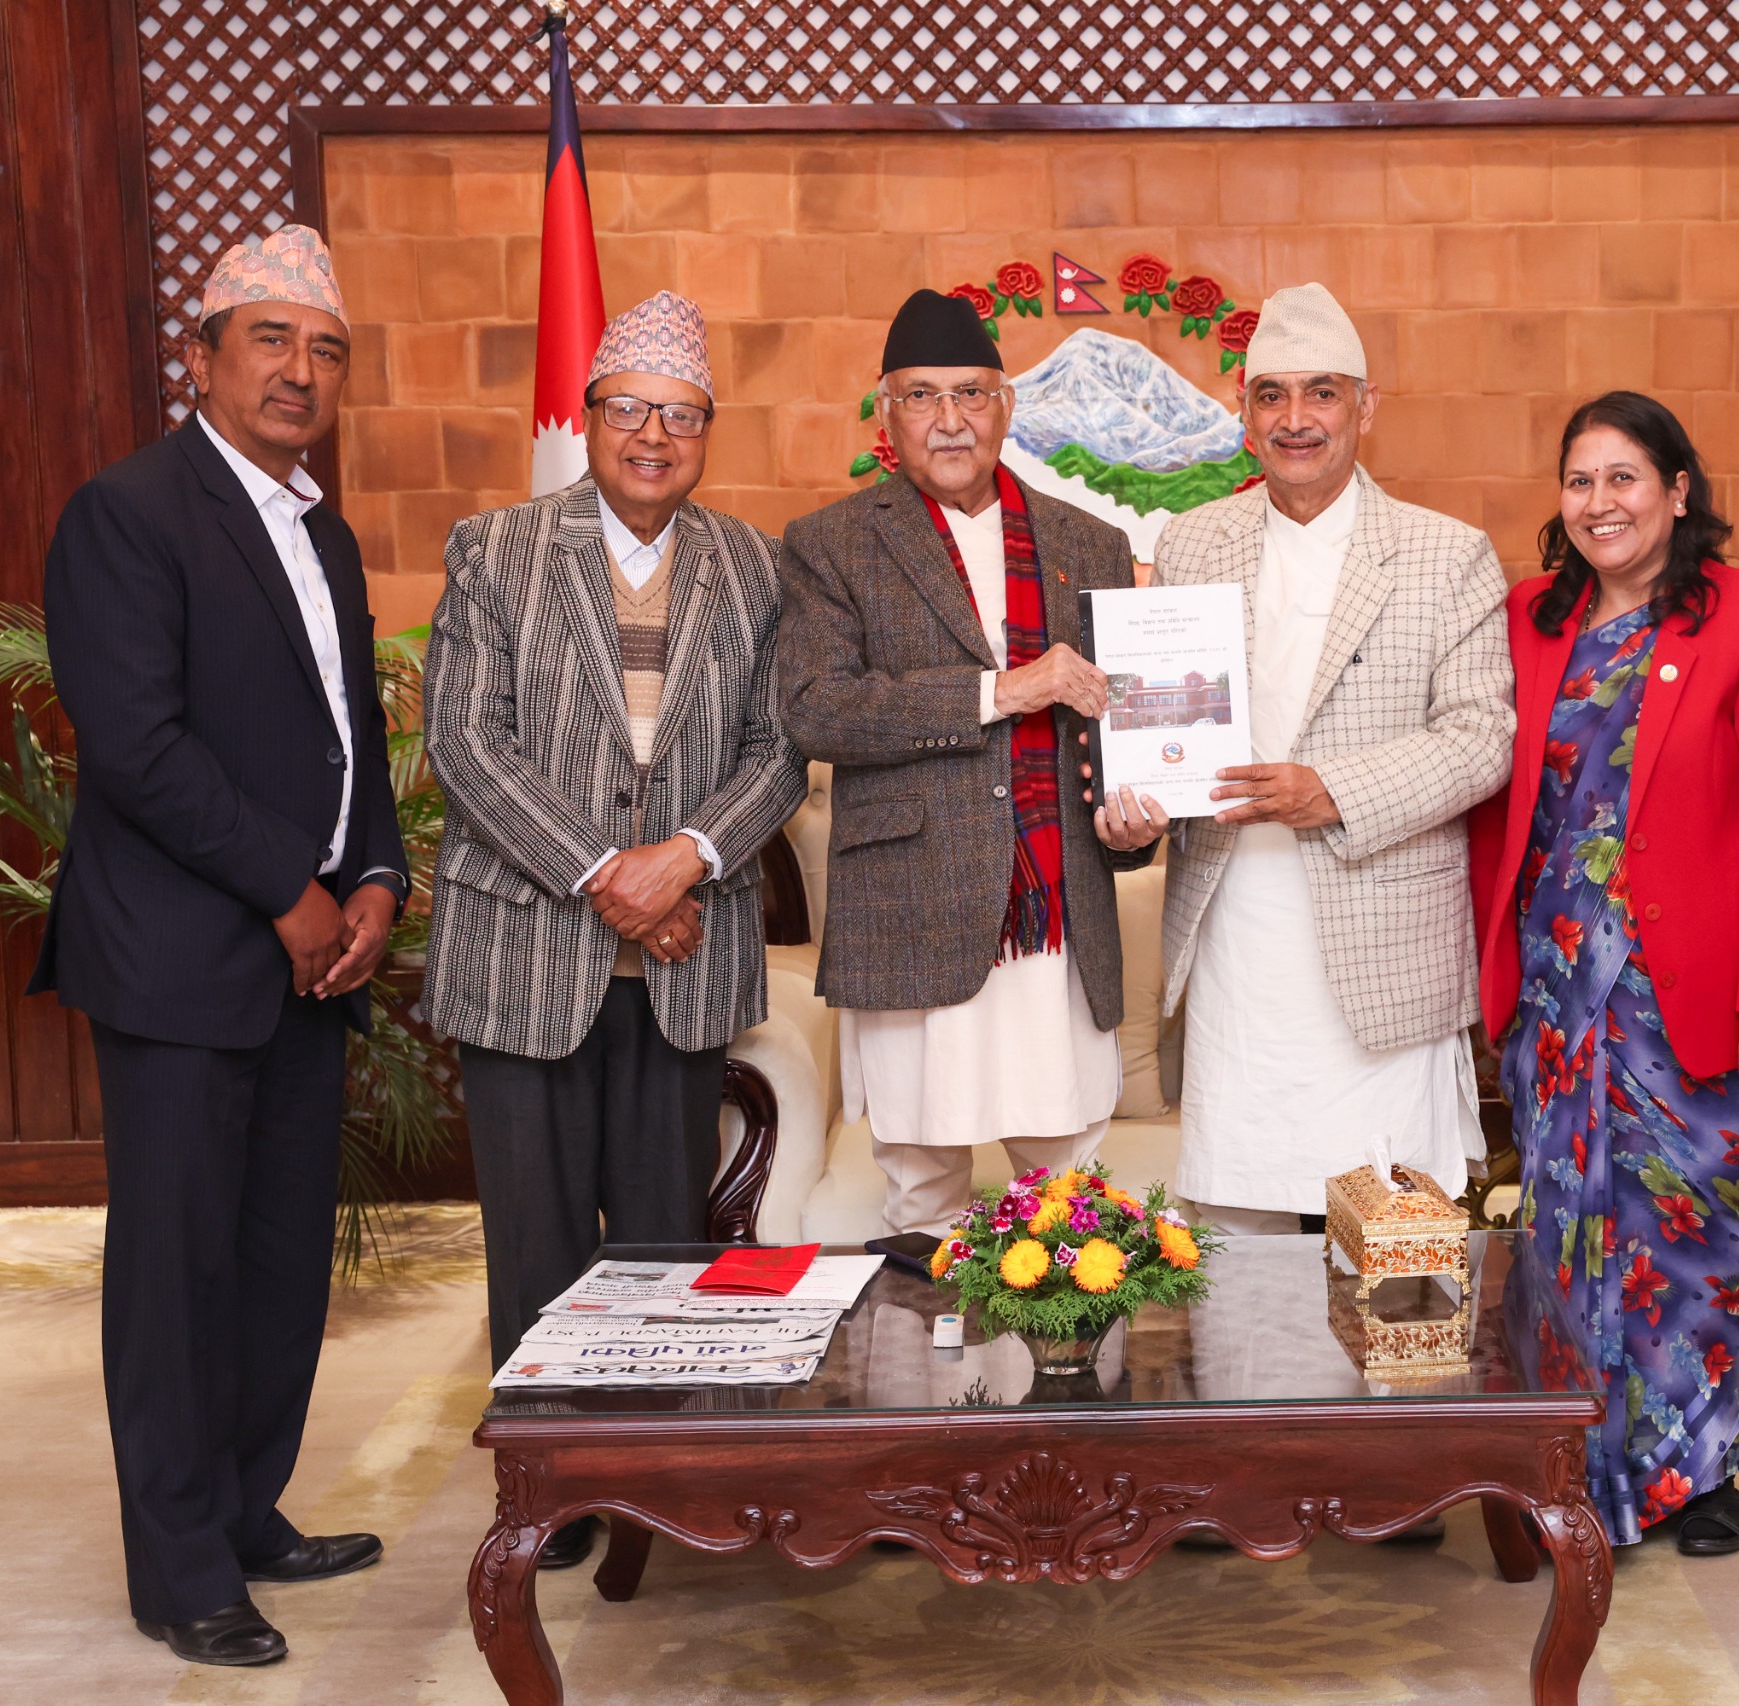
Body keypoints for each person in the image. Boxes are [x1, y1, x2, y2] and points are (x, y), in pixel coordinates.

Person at [31, 224, 408, 1666]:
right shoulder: (128, 512)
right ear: (200, 357)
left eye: (326, 350)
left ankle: (248, 1507)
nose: (301, 371)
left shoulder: (322, 526)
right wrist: (289, 891)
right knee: (178, 1273)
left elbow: (353, 736)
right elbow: (137, 745)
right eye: (271, 340)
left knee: (273, 1261)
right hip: (188, 960)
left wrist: (370, 876)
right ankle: (179, 1564)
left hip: (312, 960)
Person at [424, 291, 804, 1564]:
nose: (653, 434)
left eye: (680, 415)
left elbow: (778, 748)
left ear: (709, 430)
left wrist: (686, 859)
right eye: (630, 409)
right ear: (585, 418)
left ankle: (650, 1474)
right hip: (526, 947)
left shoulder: (755, 564)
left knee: (659, 1240)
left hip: (685, 956)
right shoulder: (494, 546)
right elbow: (463, 743)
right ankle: (551, 1491)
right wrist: (607, 874)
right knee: (532, 1238)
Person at [1468, 392, 1739, 1554]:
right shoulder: (1526, 617)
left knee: (1697, 1233)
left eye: (1626, 477)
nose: (1600, 503)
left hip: (1697, 988)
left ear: (1679, 491)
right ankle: (1571, 1466)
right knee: (1566, 1236)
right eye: (1580, 482)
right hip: (1557, 996)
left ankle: (1701, 1472)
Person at [1108, 282, 1514, 1231]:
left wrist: (1326, 790)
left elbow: (1481, 738)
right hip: (1235, 934)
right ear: (1243, 416)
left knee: (1394, 1249)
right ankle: (1254, 1387)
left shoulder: (1444, 554)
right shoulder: (1193, 541)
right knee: (1239, 1233)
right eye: (1271, 395)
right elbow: (1160, 726)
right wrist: (1134, 802)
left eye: (1322, 393)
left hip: (1385, 939)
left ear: (1365, 406)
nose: (1297, 420)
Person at [774, 290, 1153, 1238]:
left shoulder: (1091, 544)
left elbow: (1128, 733)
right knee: (921, 1202)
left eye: (972, 394)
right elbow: (816, 710)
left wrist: (1139, 822)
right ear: (886, 410)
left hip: (1055, 917)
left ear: (1006, 405)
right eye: (922, 396)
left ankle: (1070, 1381)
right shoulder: (831, 544)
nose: (950, 419)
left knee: (1069, 1208)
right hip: (911, 911)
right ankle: (921, 1388)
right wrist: (1000, 692)